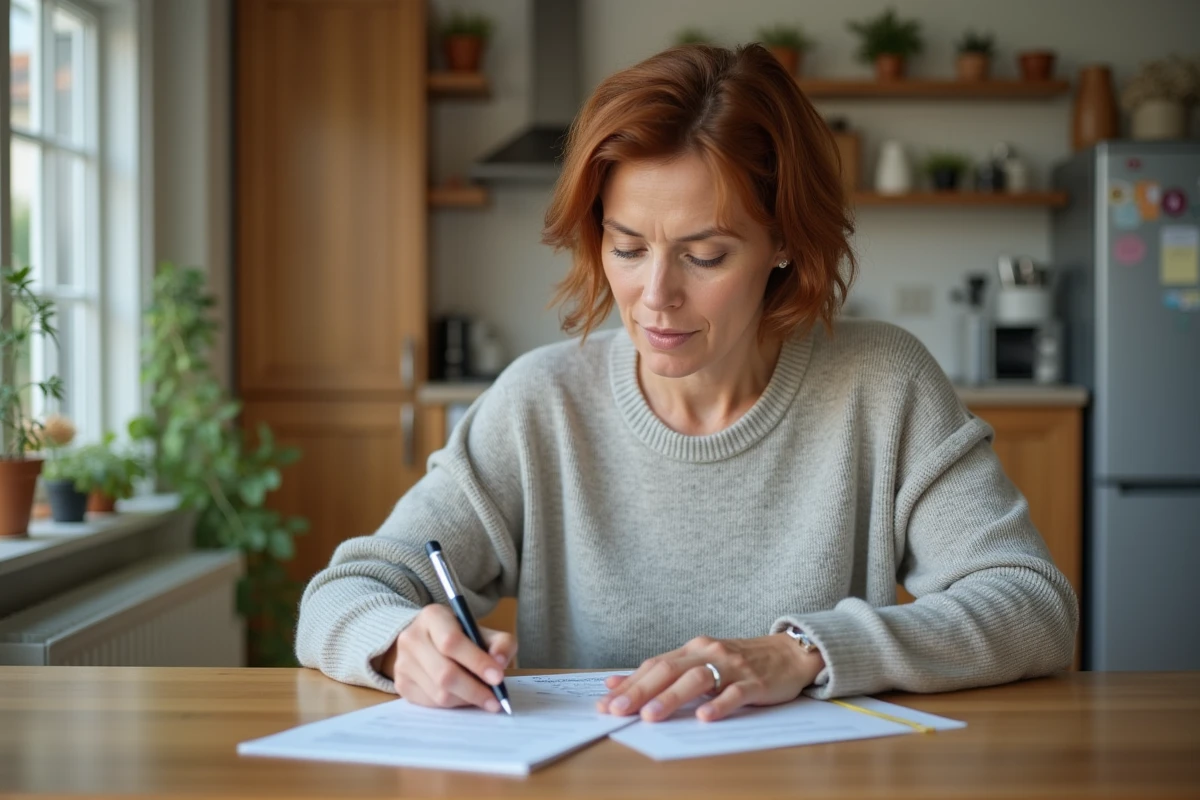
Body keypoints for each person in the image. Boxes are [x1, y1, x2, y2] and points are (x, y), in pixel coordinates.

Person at [295, 43, 1077, 724]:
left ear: (783, 243)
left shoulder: (882, 383)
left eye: (705, 256)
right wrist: (401, 644)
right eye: (627, 246)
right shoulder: (540, 403)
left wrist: (803, 651)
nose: (656, 295)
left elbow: (1034, 608)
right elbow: (344, 592)